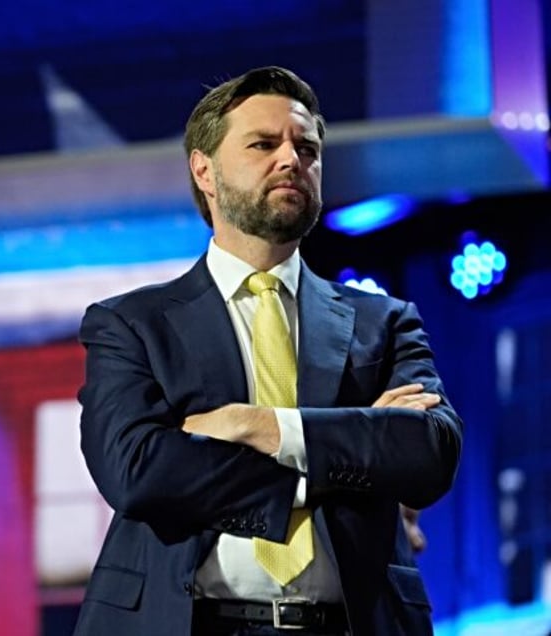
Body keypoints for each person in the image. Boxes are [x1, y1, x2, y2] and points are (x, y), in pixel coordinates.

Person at [73, 66, 462, 636]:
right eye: (263, 144)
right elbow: (138, 471)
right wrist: (333, 464)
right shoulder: (131, 325)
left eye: (307, 147)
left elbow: (429, 453)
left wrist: (258, 426)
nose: (291, 160)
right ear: (204, 171)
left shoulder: (383, 321)